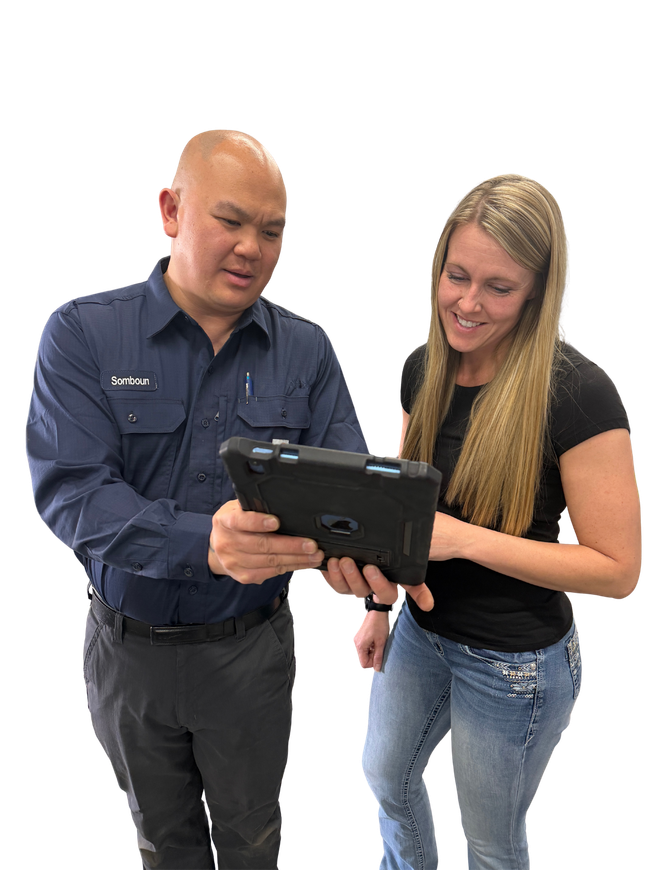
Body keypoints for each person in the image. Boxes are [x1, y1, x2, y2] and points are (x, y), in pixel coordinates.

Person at [25, 128, 433, 870]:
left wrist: (368, 568)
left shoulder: (306, 349)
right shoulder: (81, 333)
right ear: (170, 210)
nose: (251, 247)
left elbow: (345, 484)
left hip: (249, 651)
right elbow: (71, 494)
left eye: (271, 231)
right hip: (127, 654)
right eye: (231, 220)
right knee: (162, 841)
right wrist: (200, 541)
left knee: (250, 838)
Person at [321, 173, 642, 869]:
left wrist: (464, 539)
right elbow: (406, 509)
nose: (466, 303)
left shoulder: (578, 393)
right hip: (420, 629)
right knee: (386, 779)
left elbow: (616, 571)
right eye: (455, 276)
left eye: (497, 287)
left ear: (536, 290)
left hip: (514, 664)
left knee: (492, 846)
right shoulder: (420, 369)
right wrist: (380, 605)